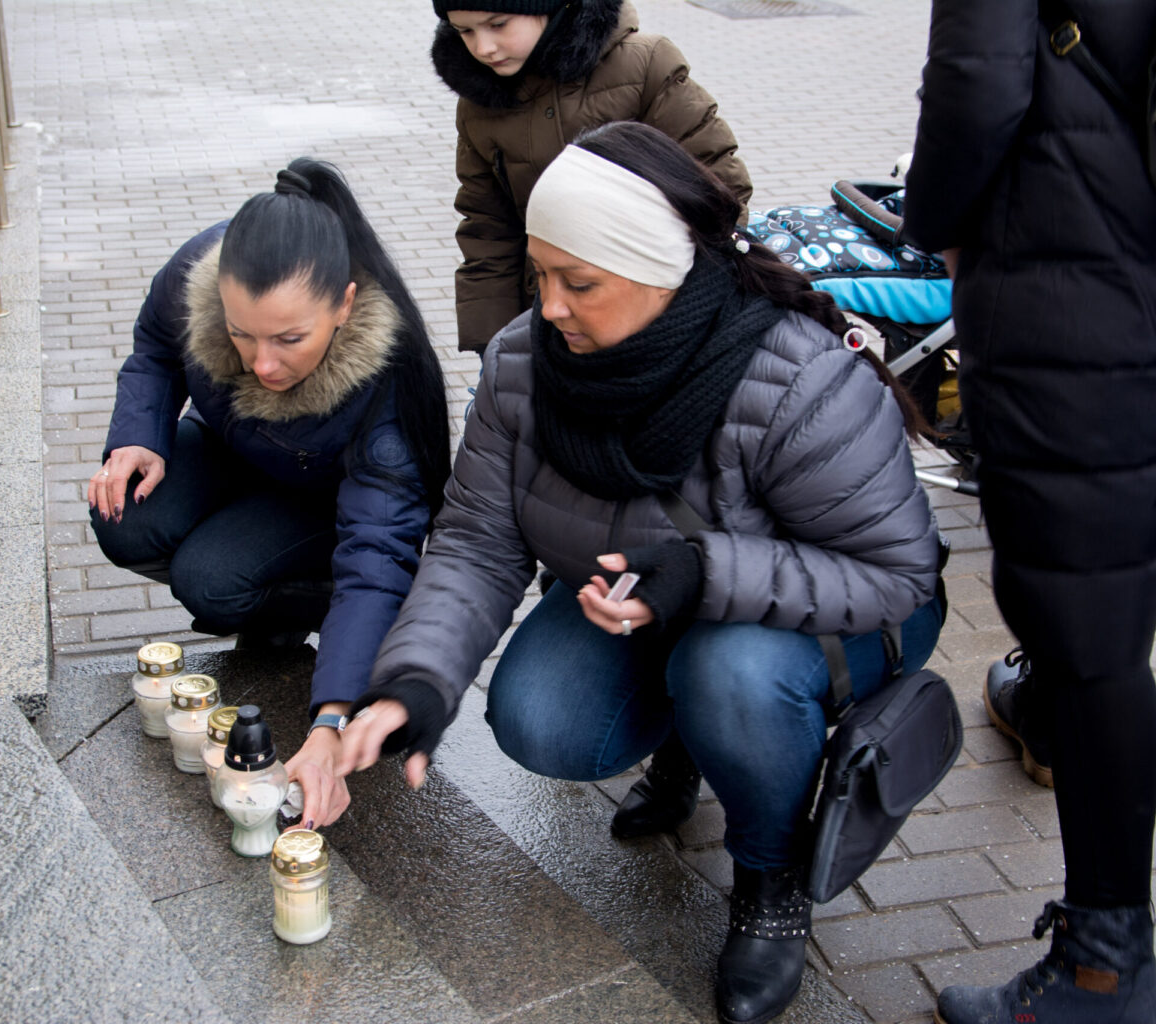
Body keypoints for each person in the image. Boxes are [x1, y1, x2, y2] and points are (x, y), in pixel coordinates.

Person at [339, 121, 946, 1024]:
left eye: (576, 282)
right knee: (541, 719)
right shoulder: (522, 365)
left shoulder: (795, 378)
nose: (547, 307)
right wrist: (415, 684)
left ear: (660, 270)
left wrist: (702, 572)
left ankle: (770, 874)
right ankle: (688, 741)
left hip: (835, 611)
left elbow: (893, 574)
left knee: (725, 670)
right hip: (647, 602)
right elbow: (474, 541)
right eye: (540, 274)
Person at [903, 2, 1156, 1022]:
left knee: (1093, 621)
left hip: (1078, 277)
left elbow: (976, 87)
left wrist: (929, 226)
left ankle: (1106, 969)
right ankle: (1058, 706)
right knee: (1107, 565)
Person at [87, 158, 451, 832]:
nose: (261, 363)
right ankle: (246, 555)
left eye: (290, 340)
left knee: (212, 580)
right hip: (234, 452)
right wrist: (139, 436)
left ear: (344, 305)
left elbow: (374, 564)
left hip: (325, 506)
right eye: (240, 334)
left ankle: (292, 602)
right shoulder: (203, 267)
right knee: (126, 514)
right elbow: (154, 349)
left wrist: (331, 719)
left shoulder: (387, 397)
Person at [431, 0, 752, 354]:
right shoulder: (478, 105)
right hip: (552, 323)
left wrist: (677, 304)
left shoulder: (643, 65)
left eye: (498, 24)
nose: (483, 47)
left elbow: (717, 183)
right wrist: (494, 344)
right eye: (465, 31)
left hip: (657, 317)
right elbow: (487, 227)